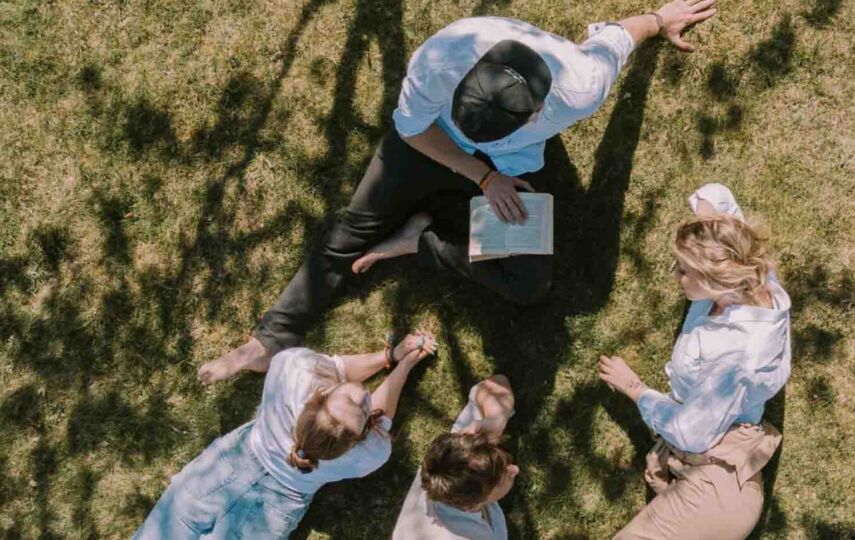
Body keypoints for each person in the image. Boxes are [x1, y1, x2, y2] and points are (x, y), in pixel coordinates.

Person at [197, 0, 718, 385]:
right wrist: (481, 177)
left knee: (528, 285)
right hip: (433, 145)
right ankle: (268, 341)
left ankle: (419, 241)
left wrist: (659, 19)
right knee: (352, 232)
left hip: (510, 168)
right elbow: (412, 131)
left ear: (538, 111)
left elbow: (618, 39)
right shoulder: (439, 60)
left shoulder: (579, 84)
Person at [597, 183, 791, 540]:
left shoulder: (736, 358)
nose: (675, 275)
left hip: (718, 490)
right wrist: (706, 224)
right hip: (709, 463)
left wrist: (634, 388)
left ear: (715, 278)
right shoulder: (748, 273)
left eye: (684, 270)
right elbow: (718, 195)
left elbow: (692, 432)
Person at [134, 331, 437, 539]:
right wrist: (404, 363)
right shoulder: (370, 453)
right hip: (274, 507)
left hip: (225, 469)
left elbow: (334, 368)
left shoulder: (294, 372)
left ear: (321, 394)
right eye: (361, 406)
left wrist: (392, 355)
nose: (363, 395)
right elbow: (380, 417)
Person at [392, 375, 518, 539]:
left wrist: (496, 421)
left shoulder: (453, 461)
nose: (515, 469)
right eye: (503, 478)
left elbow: (497, 383)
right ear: (471, 506)